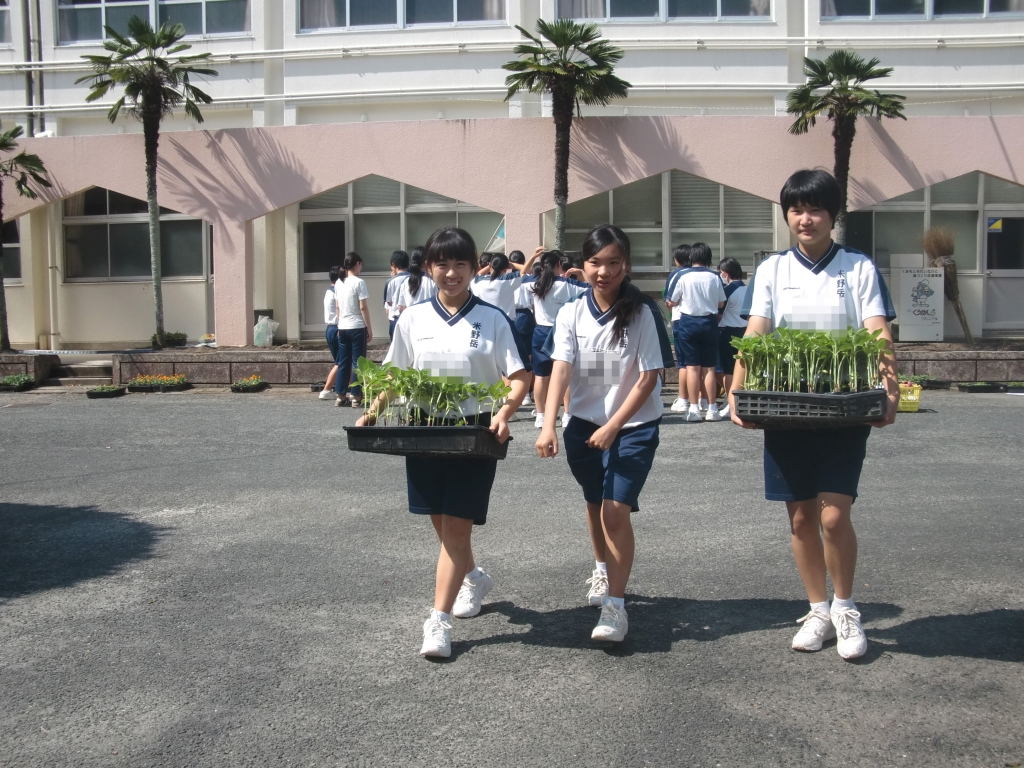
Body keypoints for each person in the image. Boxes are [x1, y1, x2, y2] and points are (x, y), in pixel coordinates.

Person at [730, 169, 899, 661]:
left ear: (832, 214)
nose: (806, 219)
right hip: (785, 405)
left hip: (845, 405)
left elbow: (877, 332)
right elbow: (756, 332)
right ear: (787, 215)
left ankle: (845, 608)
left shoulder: (857, 267)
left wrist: (889, 391)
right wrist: (737, 392)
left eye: (816, 209)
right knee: (802, 517)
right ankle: (817, 610)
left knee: (834, 514)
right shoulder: (773, 269)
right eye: (797, 210)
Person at [356, 227, 532, 659]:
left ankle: (438, 621)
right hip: (423, 427)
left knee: (456, 525)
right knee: (439, 519)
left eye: (460, 264)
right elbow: (394, 375)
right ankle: (474, 577)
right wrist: (372, 412)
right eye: (442, 264)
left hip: (475, 432)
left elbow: (519, 376)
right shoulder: (413, 318)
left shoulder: (492, 318)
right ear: (429, 268)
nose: (451, 273)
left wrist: (504, 413)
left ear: (474, 268)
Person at [536, 224, 673, 643]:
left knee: (615, 510)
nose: (604, 271)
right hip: (583, 426)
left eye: (614, 262)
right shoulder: (571, 312)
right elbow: (561, 369)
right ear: (583, 264)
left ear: (626, 264)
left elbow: (649, 378)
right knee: (595, 502)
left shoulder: (643, 311)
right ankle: (601, 569)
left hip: (632, 427)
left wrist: (614, 426)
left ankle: (616, 606)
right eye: (596, 262)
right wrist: (549, 424)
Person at [525, 250, 589, 429]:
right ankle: (567, 414)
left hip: (540, 331)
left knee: (541, 376)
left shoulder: (534, 282)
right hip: (562, 331)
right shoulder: (567, 283)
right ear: (559, 264)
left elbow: (521, 276)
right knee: (566, 374)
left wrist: (533, 257)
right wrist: (581, 272)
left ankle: (541, 415)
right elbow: (592, 287)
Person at [666, 242, 726, 423]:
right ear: (708, 258)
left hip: (688, 323)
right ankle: (712, 408)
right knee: (709, 368)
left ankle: (693, 409)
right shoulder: (715, 277)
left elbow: (672, 301)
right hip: (709, 322)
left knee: (692, 367)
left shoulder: (682, 275)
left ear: (691, 257)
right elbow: (721, 303)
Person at [334, 252, 373, 408]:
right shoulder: (359, 282)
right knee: (358, 363)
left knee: (343, 362)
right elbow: (363, 307)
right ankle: (356, 397)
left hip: (342, 326)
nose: (361, 268)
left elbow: (337, 306)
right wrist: (369, 327)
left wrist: (339, 324)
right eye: (361, 265)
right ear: (357, 264)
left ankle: (340, 396)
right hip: (357, 326)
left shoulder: (339, 282)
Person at [714, 257, 748, 419]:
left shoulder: (728, 291)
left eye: (721, 272)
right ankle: (735, 399)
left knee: (726, 369)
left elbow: (719, 314)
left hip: (727, 332)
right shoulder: (748, 289)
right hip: (745, 331)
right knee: (740, 367)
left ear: (725, 273)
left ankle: (731, 401)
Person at [664, 244, 691, 412]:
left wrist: (671, 313)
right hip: (706, 321)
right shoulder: (708, 274)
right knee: (703, 364)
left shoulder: (676, 275)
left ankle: (683, 398)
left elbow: (669, 300)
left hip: (681, 320)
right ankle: (702, 398)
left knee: (684, 363)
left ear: (677, 260)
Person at [318, 266, 342, 400]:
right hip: (337, 328)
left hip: (330, 328)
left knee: (342, 362)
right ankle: (326, 390)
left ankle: (358, 388)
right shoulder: (337, 292)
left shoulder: (329, 291)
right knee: (341, 362)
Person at [396, 247, 437, 312]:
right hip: (428, 316)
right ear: (426, 262)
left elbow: (401, 308)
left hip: (410, 317)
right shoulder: (433, 281)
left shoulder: (405, 282)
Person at [383, 250, 410, 339]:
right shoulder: (414, 278)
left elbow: (389, 303)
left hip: (396, 318)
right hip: (411, 318)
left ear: (393, 265)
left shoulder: (390, 282)